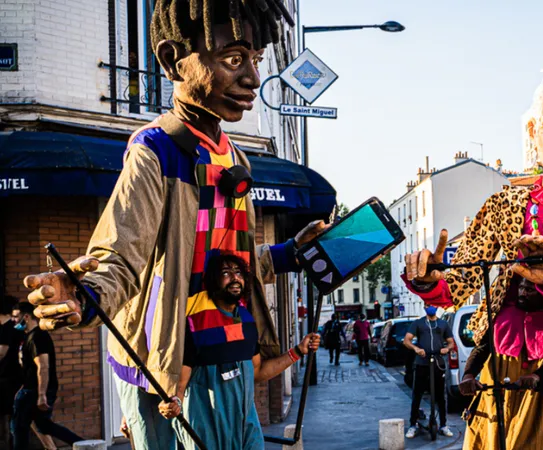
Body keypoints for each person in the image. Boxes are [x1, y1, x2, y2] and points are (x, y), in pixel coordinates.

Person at [22, 2, 327, 449]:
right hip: (168, 364)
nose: (253, 80)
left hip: (229, 349)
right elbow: (121, 255)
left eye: (256, 61)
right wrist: (85, 296)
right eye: (234, 59)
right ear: (171, 61)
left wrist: (289, 253)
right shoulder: (156, 150)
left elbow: (229, 263)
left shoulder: (234, 156)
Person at [403, 62, 543, 449]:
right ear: (535, 132)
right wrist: (428, 280)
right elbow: (461, 282)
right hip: (494, 354)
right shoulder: (504, 204)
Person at [157, 253, 320, 449]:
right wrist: (173, 402)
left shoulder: (247, 321)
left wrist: (298, 351)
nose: (235, 278)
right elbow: (180, 384)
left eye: (239, 272)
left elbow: (257, 371)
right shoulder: (197, 323)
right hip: (206, 431)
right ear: (213, 280)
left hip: (246, 429)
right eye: (226, 273)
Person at [10, 302, 83, 450]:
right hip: (29, 389)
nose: (14, 320)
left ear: (26, 317)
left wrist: (42, 395)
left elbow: (43, 366)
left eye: (16, 317)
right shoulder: (29, 336)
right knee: (44, 426)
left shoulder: (38, 337)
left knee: (19, 426)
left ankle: (82, 444)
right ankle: (82, 444)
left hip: (34, 391)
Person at [402, 305, 455, 439]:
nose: (430, 308)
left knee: (440, 397)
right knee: (417, 394)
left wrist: (446, 349)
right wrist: (416, 349)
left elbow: (451, 342)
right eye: (427, 306)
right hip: (422, 362)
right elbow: (406, 340)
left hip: (438, 362)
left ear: (436, 308)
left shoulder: (443, 324)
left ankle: (443, 425)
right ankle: (413, 425)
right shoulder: (418, 323)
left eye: (432, 306)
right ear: (424, 308)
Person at [0, 296, 23, 449]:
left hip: (7, 378)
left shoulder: (7, 329)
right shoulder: (14, 328)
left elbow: (1, 352)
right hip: (13, 376)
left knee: (7, 416)